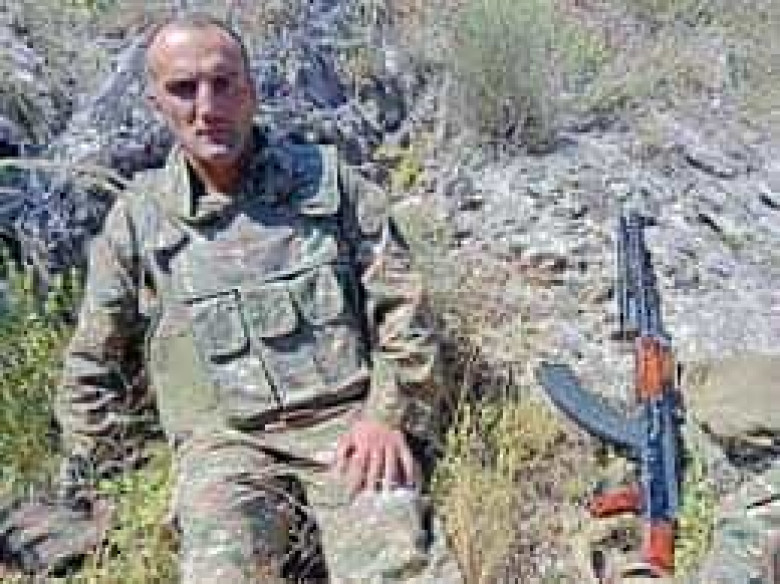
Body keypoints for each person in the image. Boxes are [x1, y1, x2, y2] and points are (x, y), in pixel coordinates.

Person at [53, 13, 461, 584]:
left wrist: (387, 416)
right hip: (224, 449)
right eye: (183, 89)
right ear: (155, 103)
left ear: (251, 90)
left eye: (224, 83)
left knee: (397, 564)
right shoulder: (139, 221)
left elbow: (405, 308)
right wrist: (114, 479)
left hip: (346, 428)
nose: (207, 106)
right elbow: (90, 365)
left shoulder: (329, 184)